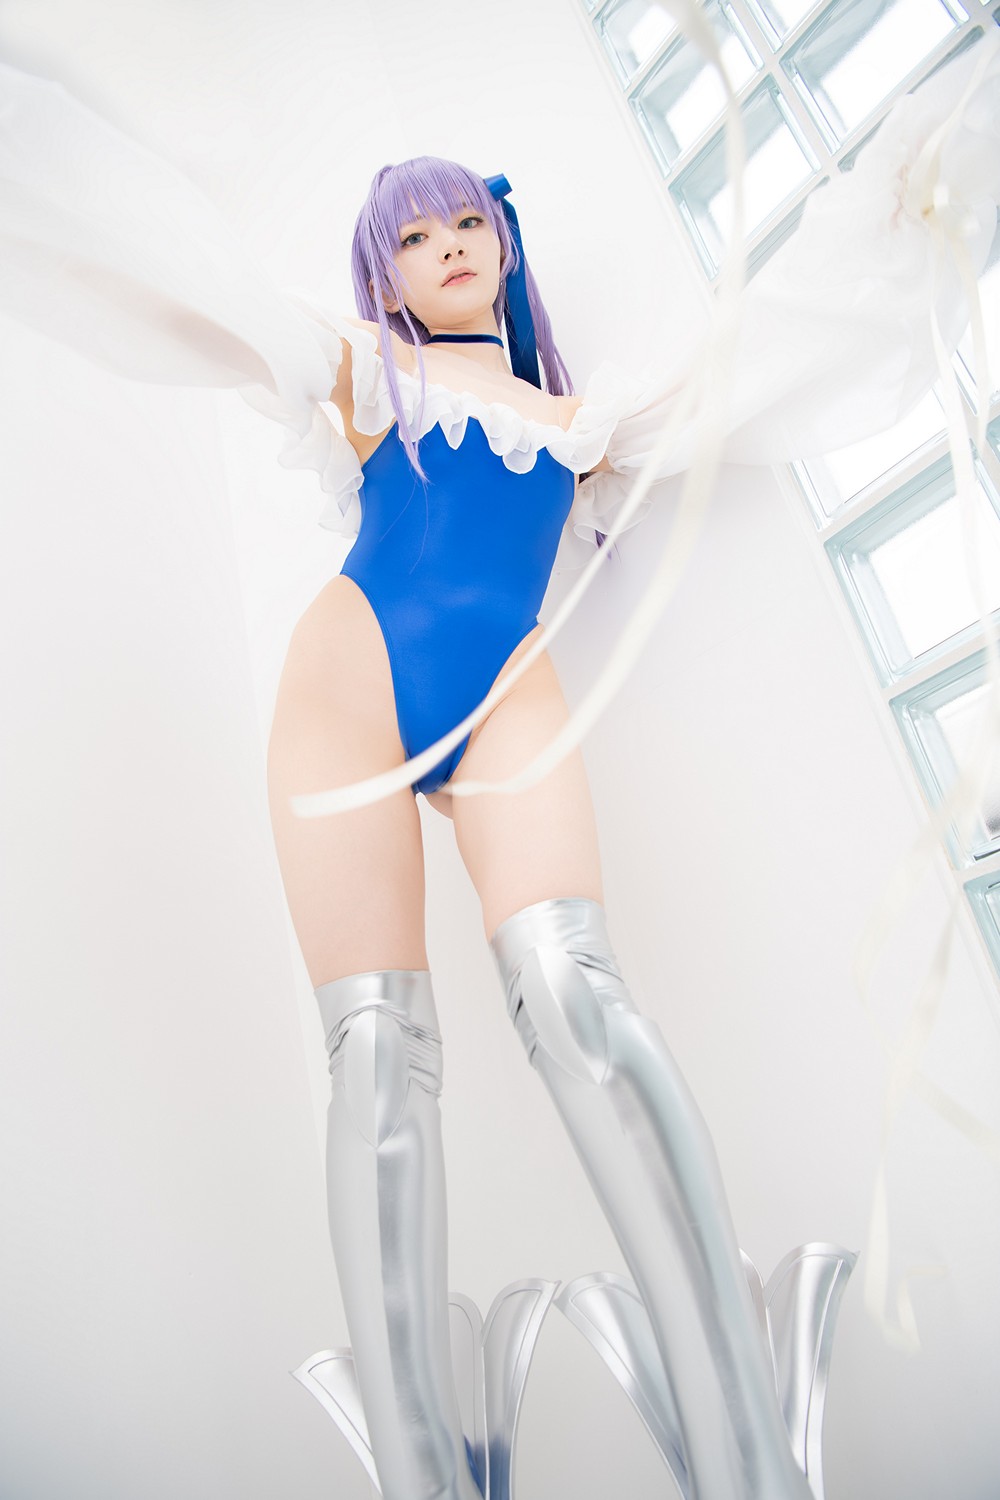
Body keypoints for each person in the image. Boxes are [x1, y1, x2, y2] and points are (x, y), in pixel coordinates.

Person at [1, 33, 998, 1500]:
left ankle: (741, 1432)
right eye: (414, 235)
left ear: (506, 244)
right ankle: (422, 1462)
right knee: (377, 1054)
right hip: (349, 681)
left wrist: (922, 193)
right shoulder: (367, 375)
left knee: (580, 996)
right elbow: (180, 276)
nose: (450, 246)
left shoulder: (593, 426)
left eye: (469, 219)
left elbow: (776, 355)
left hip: (507, 692)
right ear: (384, 275)